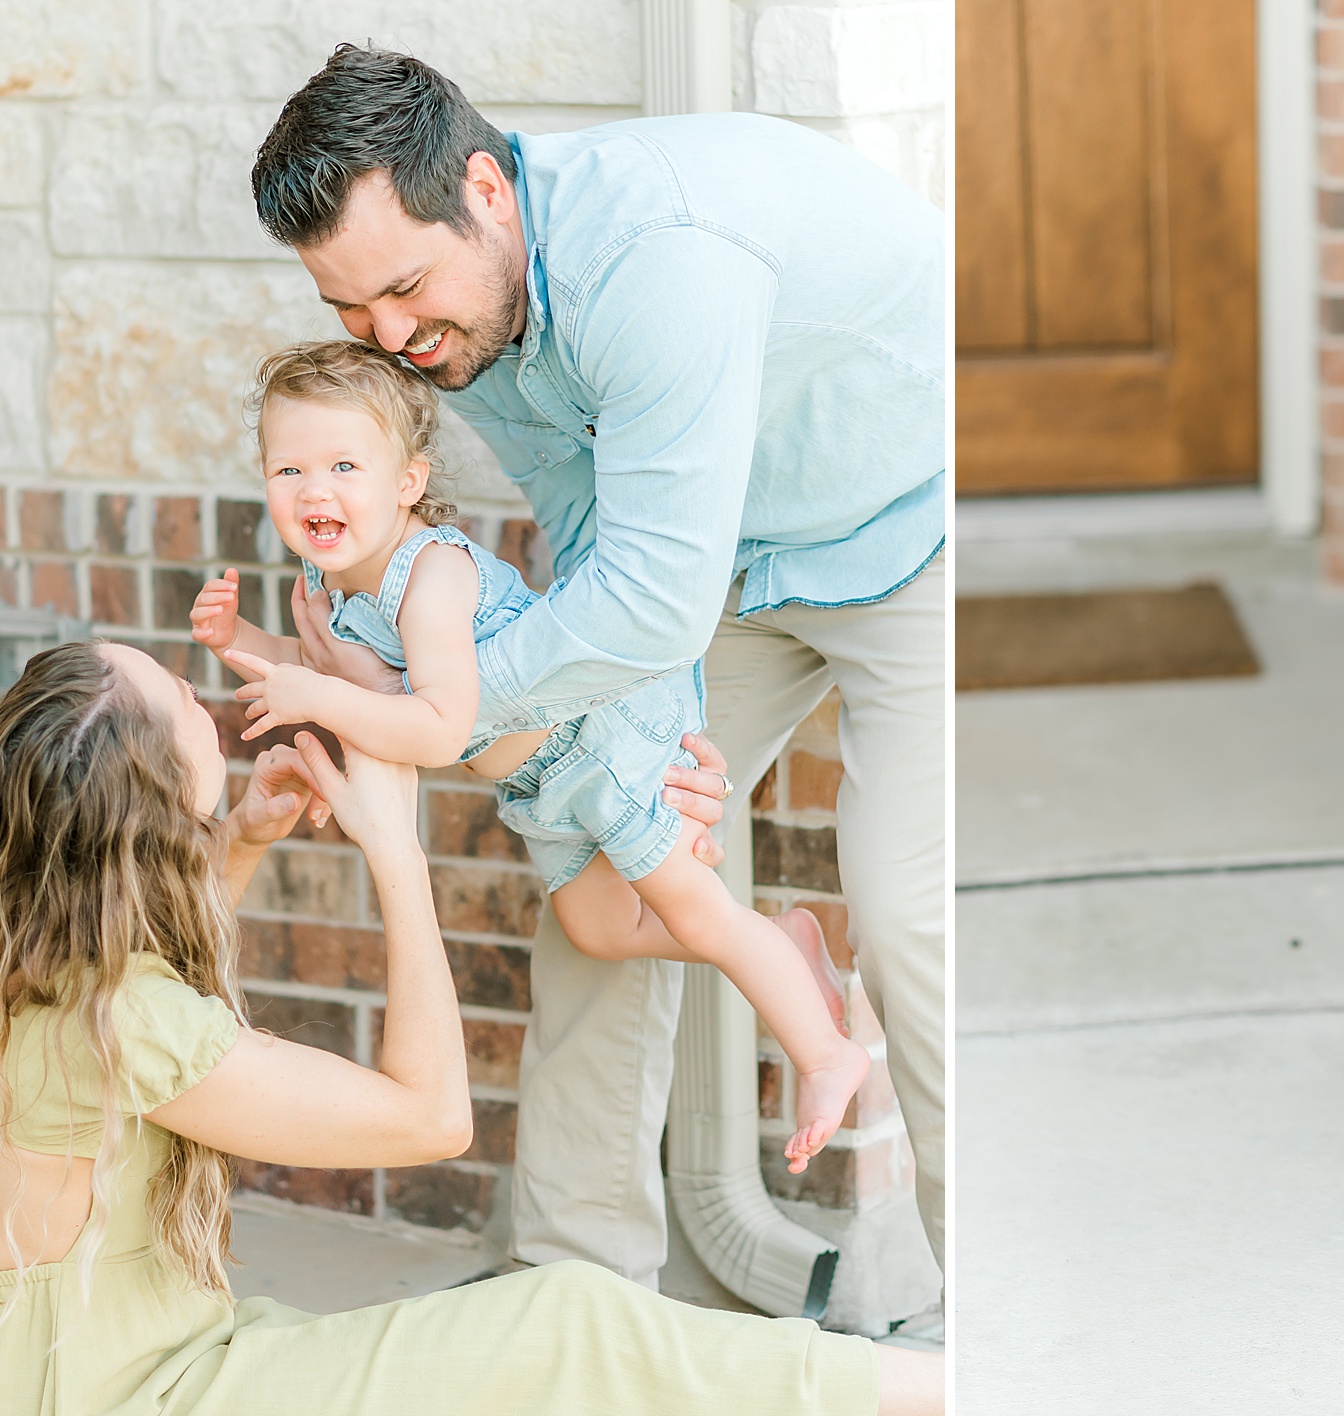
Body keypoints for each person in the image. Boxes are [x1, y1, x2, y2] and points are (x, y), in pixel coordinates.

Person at [249, 45, 945, 1283]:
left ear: (487, 191)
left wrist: (432, 709)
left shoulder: (658, 260)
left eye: (405, 289)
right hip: (717, 561)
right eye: (351, 315)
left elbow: (648, 600)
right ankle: (574, 1292)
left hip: (913, 529)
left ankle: (978, 1310)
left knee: (904, 915)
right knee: (608, 865)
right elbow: (595, 536)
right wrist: (631, 739)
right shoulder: (463, 320)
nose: (393, 337)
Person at [0, 639, 941, 1415]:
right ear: (158, 804)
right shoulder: (121, 1018)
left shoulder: (49, 966)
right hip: (150, 1393)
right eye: (183, 698)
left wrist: (239, 840)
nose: (205, 702)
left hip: (124, 1371)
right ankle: (933, 1395)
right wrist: (398, 853)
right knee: (571, 1323)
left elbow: (168, 1002)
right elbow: (432, 1119)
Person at [190, 340, 866, 1174]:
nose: (314, 490)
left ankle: (827, 1055)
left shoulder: (429, 574)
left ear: (408, 482)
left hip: (602, 740)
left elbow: (436, 726)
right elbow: (332, 676)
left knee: (698, 915)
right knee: (599, 926)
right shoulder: (329, 584)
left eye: (342, 465)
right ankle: (786, 945)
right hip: (543, 782)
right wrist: (240, 642)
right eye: (288, 470)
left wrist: (318, 697)